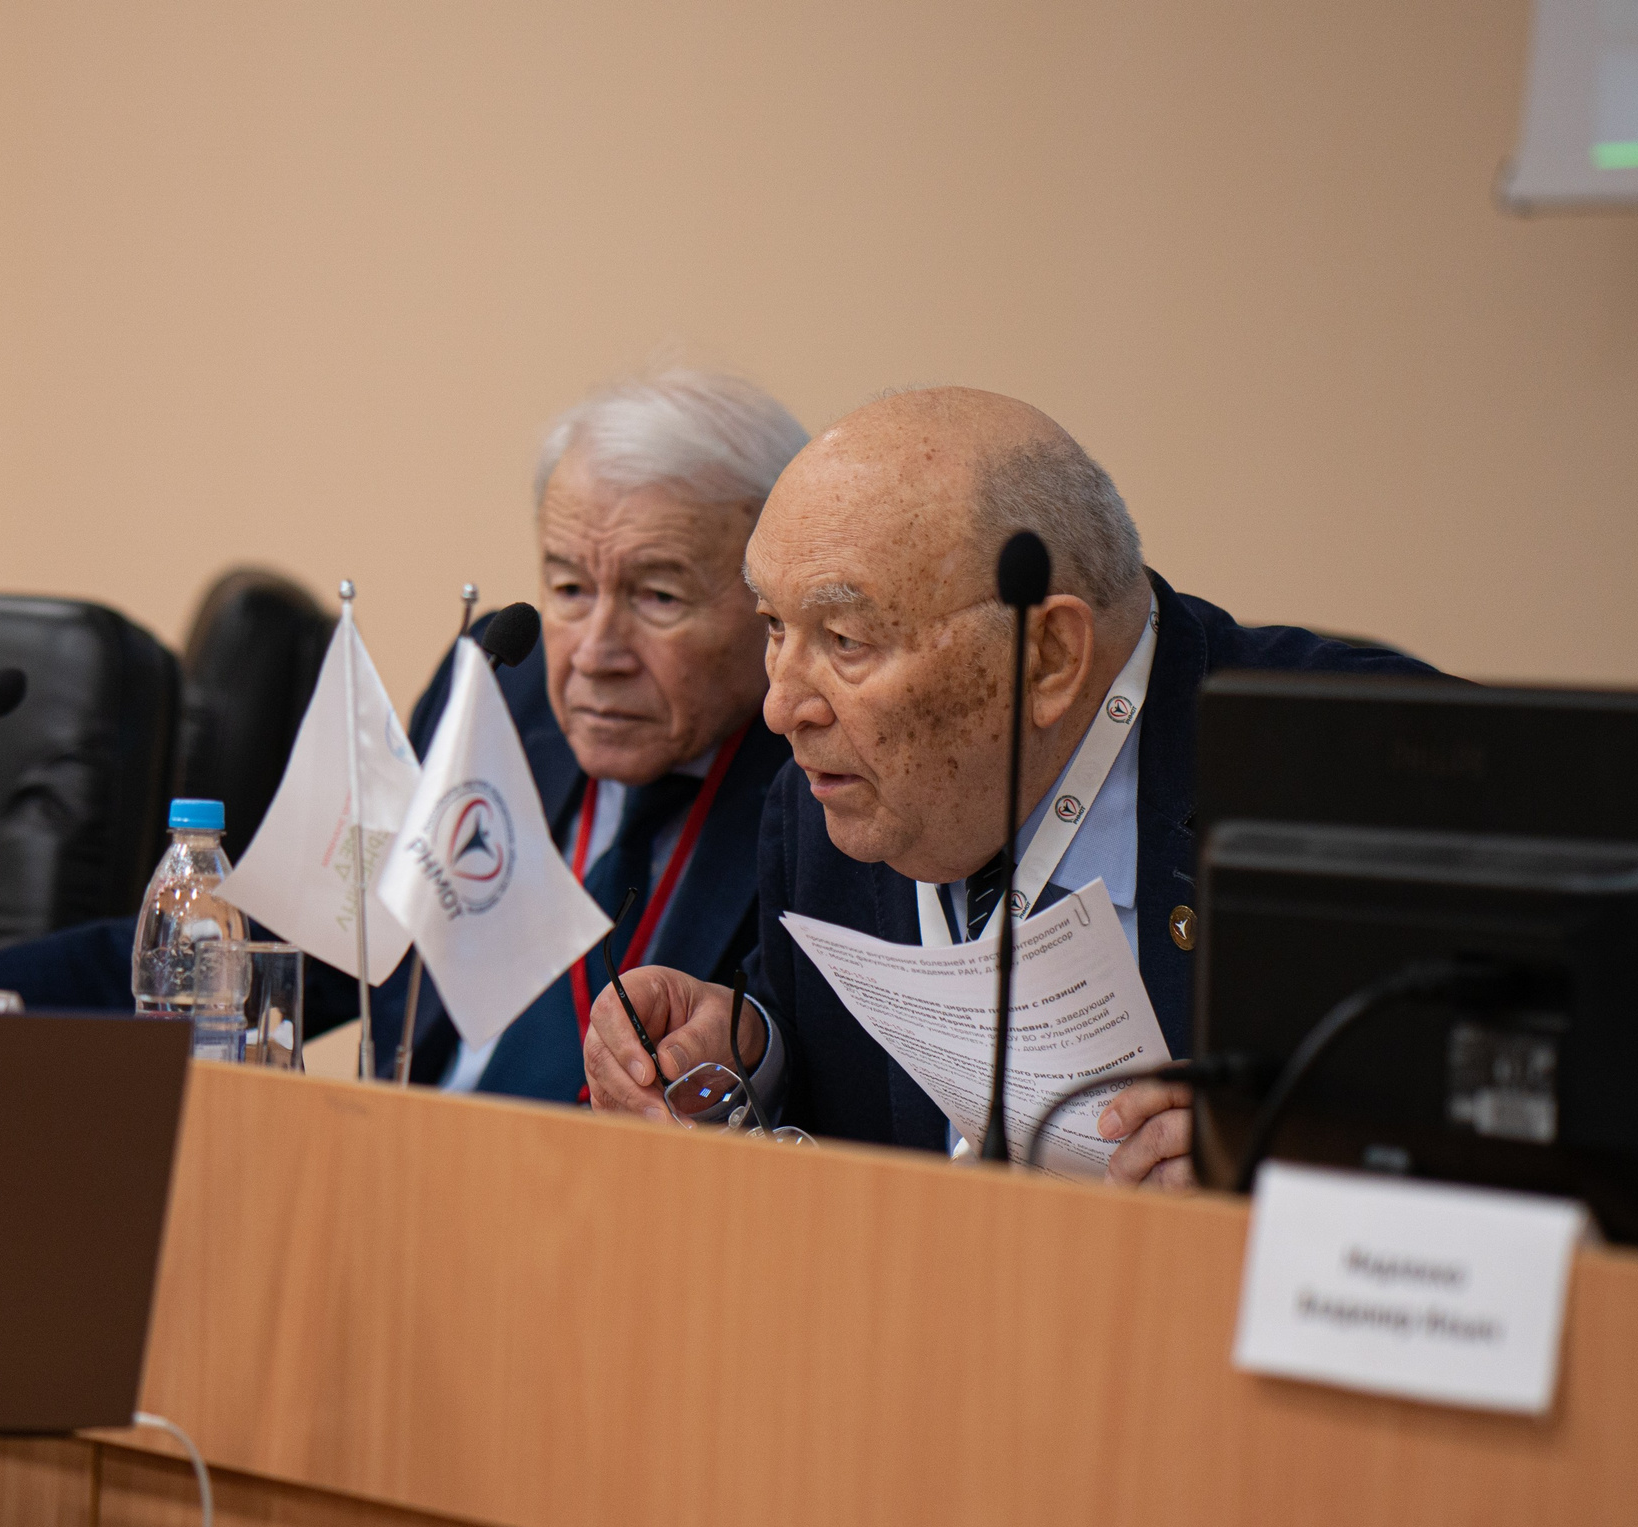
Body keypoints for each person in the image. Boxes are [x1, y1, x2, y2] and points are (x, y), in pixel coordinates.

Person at [581, 387, 1437, 1183]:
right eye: (775, 625)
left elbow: (1523, 1107)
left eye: (845, 639)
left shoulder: (1373, 769)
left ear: (1048, 656)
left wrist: (1307, 1161)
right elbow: (834, 1074)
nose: (781, 706)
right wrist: (744, 1049)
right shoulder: (823, 799)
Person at [0, 369, 809, 1103]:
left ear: (767, 601)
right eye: (568, 587)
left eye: (659, 596)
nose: (595, 652)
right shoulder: (496, 698)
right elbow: (312, 938)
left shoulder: (816, 790)